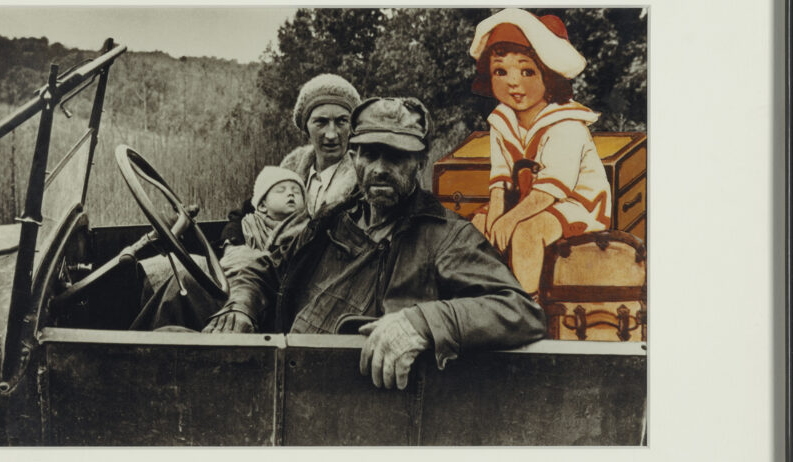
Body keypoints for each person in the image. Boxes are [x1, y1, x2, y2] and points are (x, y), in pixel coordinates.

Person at [204, 97, 546, 390]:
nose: (380, 169)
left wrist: (422, 322)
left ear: (419, 163)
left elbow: (520, 311)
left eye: (396, 157)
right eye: (370, 155)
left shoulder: (444, 236)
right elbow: (270, 270)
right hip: (285, 372)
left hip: (352, 394)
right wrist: (241, 304)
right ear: (354, 158)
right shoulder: (331, 220)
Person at [467, 8, 611, 296]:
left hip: (576, 204)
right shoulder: (502, 120)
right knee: (476, 226)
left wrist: (509, 219)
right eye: (500, 71)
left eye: (527, 71)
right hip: (524, 200)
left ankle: (525, 308)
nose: (513, 81)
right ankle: (484, 300)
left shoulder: (567, 124)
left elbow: (551, 189)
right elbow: (500, 180)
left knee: (526, 232)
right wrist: (495, 215)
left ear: (550, 76)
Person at [137, 167, 306, 329]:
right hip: (229, 280)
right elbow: (217, 251)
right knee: (162, 268)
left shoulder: (305, 231)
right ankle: (144, 341)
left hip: (264, 299)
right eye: (281, 190)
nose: (290, 193)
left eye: (296, 191)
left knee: (185, 281)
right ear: (262, 206)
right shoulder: (246, 225)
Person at [279, 74, 360, 217]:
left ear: (352, 127)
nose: (331, 135)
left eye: (341, 121)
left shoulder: (363, 180)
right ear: (306, 128)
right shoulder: (290, 170)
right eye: (321, 122)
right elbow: (253, 207)